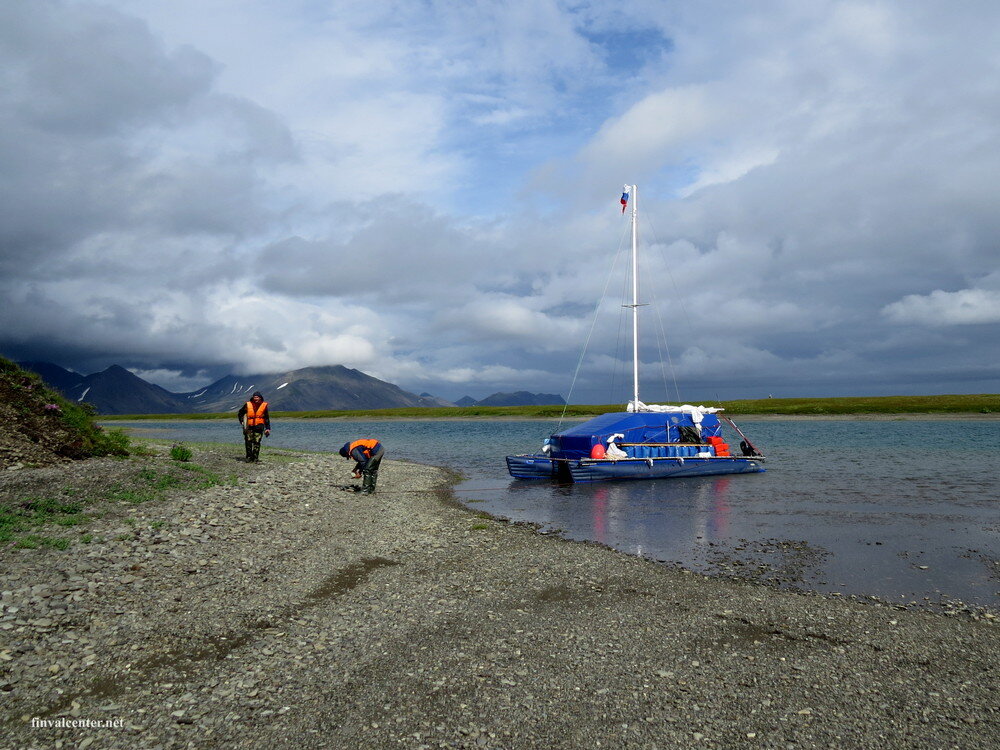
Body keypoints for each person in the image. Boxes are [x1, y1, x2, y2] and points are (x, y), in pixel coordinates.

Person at [237, 392, 270, 462]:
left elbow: (266, 418)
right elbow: (240, 413)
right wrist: (242, 422)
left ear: (260, 398)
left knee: (257, 442)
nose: (255, 398)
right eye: (254, 397)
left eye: (257, 397)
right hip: (249, 427)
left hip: (259, 427)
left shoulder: (264, 405)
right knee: (248, 442)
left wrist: (268, 428)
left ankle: (255, 458)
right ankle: (249, 457)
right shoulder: (248, 404)